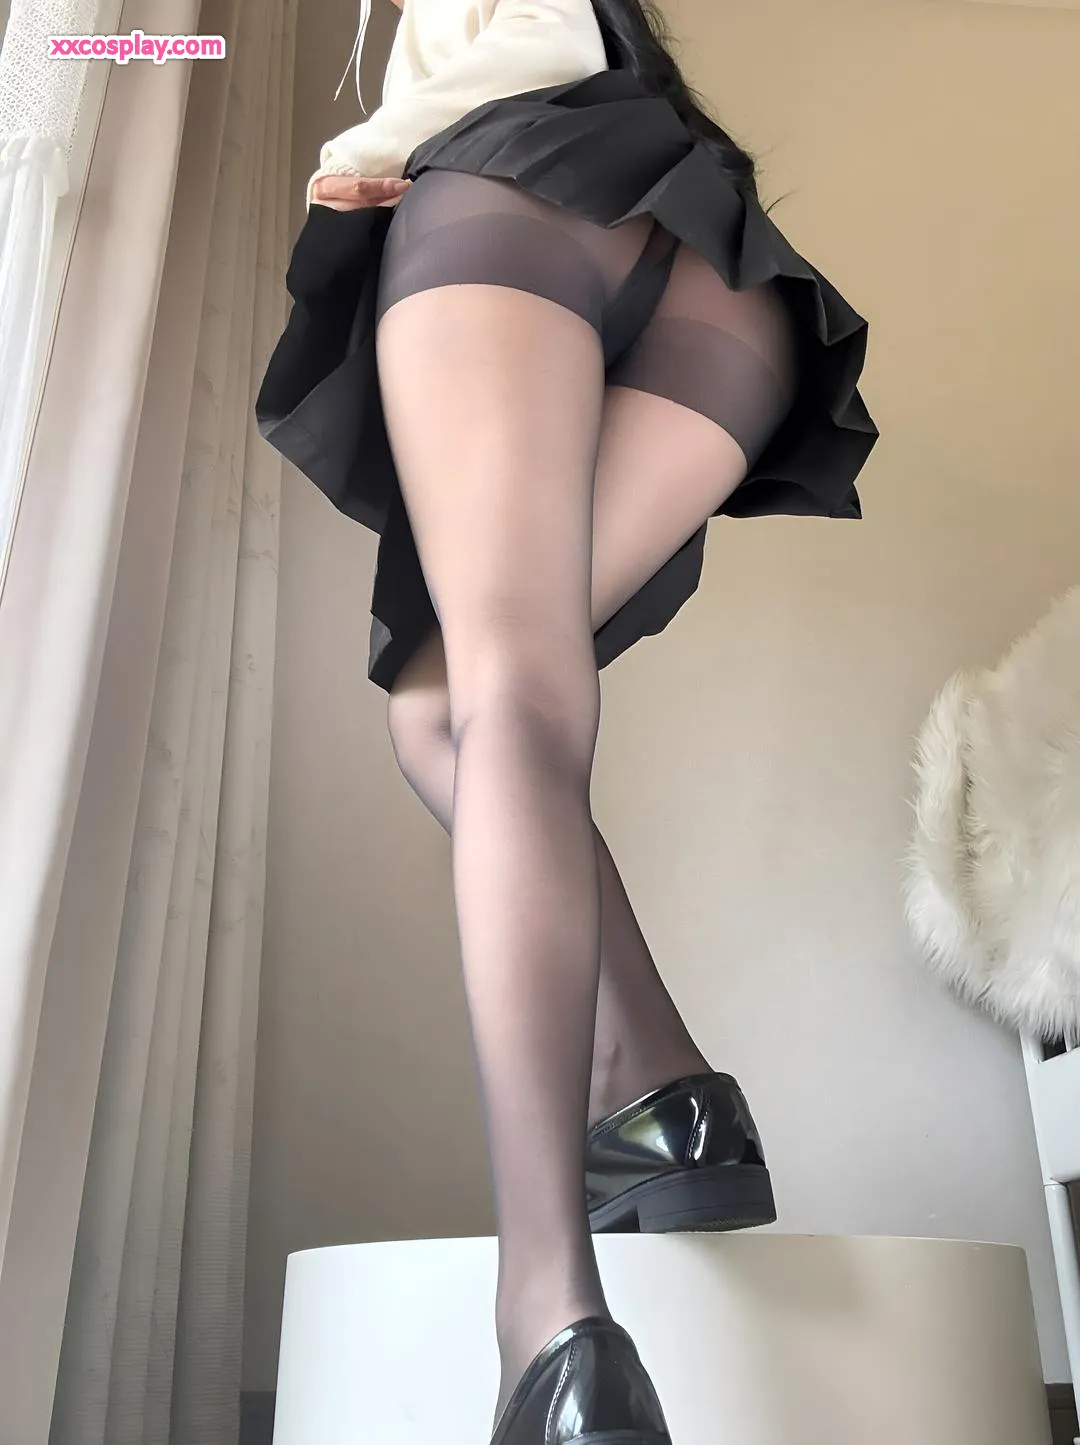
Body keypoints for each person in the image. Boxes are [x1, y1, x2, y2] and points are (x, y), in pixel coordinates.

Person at [256, 0, 878, 1438]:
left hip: (510, 205)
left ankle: (549, 1314)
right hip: (719, 268)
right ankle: (666, 1093)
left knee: (506, 706)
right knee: (448, 709)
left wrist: (364, 147)